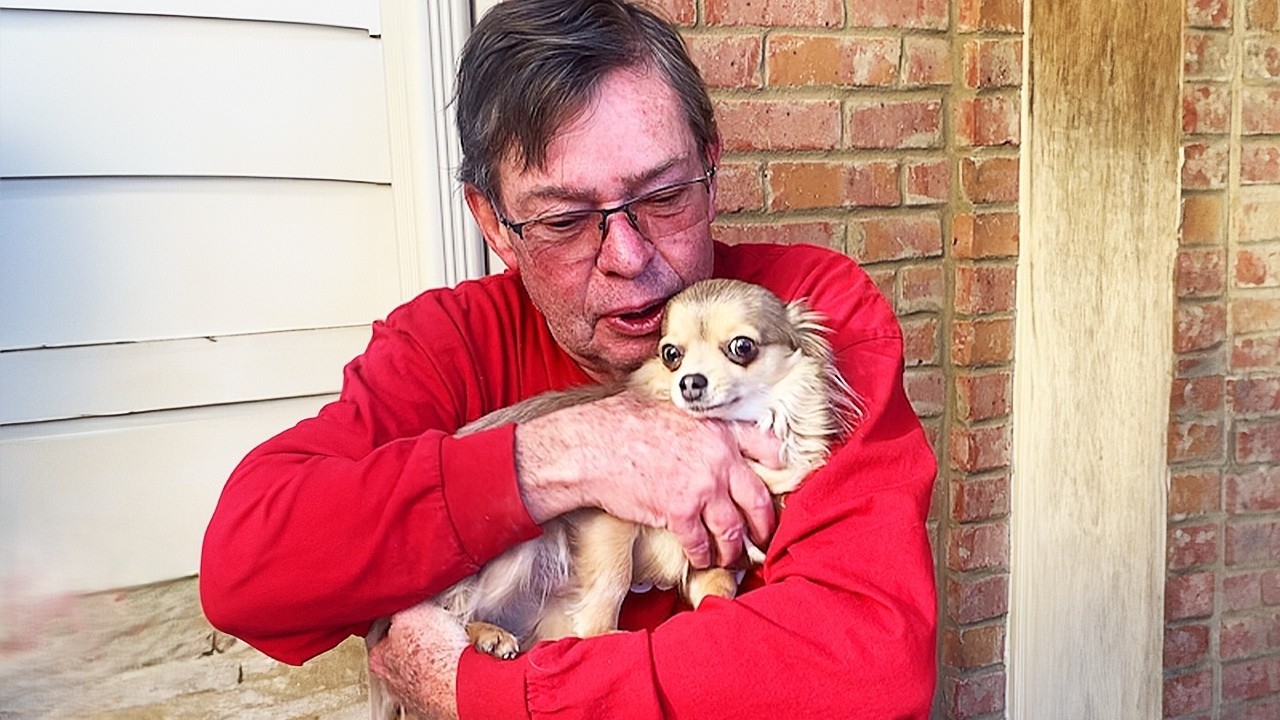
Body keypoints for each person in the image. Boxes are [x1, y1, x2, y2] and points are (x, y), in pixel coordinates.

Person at [199, 0, 938, 717]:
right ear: (492, 222)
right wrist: (565, 451)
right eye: (564, 220)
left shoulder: (804, 317)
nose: (627, 255)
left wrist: (487, 694)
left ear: (712, 168)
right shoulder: (446, 346)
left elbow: (871, 666)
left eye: (665, 194)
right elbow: (246, 572)